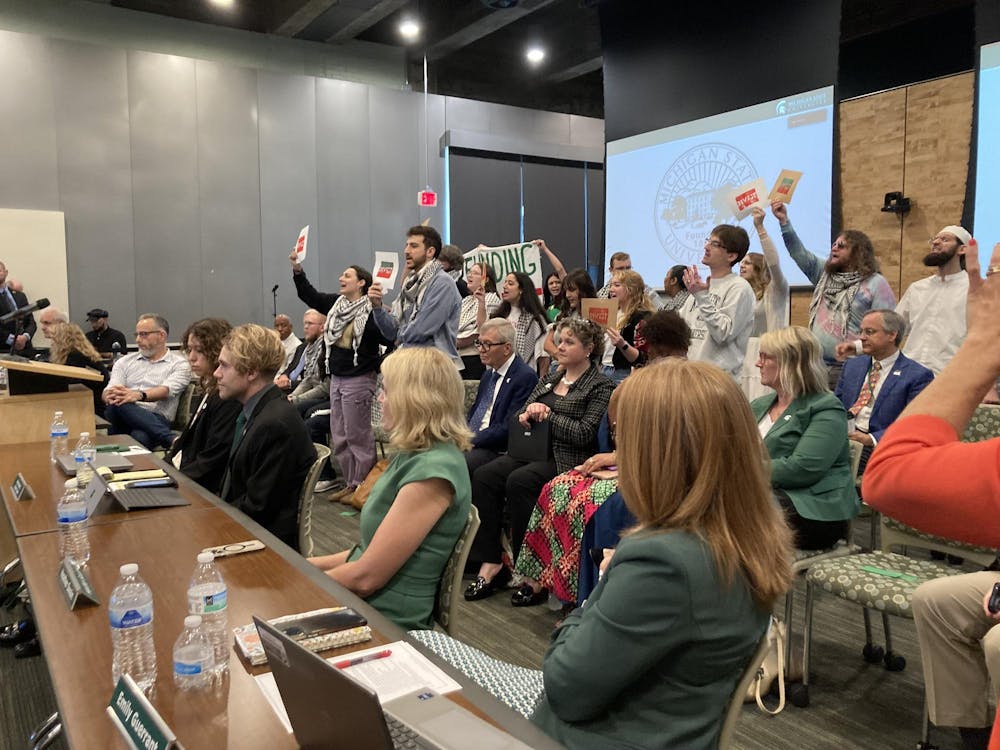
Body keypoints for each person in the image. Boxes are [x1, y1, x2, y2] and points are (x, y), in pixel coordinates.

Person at [417, 358, 794, 750]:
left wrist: (599, 587)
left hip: (591, 733)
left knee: (419, 654)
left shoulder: (664, 560)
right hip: (668, 722)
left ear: (656, 451)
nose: (618, 450)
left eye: (621, 436)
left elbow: (564, 685)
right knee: (424, 648)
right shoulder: (746, 533)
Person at [861, 239, 1000, 750]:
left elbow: (890, 476)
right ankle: (969, 733)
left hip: (893, 447)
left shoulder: (915, 374)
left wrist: (984, 344)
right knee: (938, 599)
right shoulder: (857, 368)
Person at [521, 310, 692, 609]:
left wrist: (617, 457)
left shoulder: (684, 386)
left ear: (657, 346)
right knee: (559, 488)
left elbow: (670, 448)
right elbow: (626, 439)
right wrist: (614, 456)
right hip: (628, 464)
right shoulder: (645, 380)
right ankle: (561, 589)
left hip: (661, 476)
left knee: (588, 505)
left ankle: (591, 598)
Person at [308, 347, 472, 631]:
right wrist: (303, 566)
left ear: (414, 400)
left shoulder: (434, 470)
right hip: (368, 605)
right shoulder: (416, 455)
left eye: (387, 391)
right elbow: (365, 552)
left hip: (387, 623)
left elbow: (366, 577)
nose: (380, 398)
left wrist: (300, 584)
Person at [464, 318, 614, 603]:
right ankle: (491, 560)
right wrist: (525, 415)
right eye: (559, 341)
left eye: (569, 342)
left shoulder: (600, 386)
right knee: (485, 475)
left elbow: (584, 434)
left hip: (566, 456)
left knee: (520, 482)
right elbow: (519, 413)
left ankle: (531, 574)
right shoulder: (551, 378)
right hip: (531, 449)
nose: (560, 347)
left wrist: (548, 415)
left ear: (589, 349)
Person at [290, 257, 394, 502]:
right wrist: (297, 270)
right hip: (336, 378)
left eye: (347, 276)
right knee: (340, 434)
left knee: (357, 435)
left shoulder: (372, 313)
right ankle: (351, 483)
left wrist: (376, 365)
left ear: (361, 283)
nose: (341, 279)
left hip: (359, 380)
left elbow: (392, 339)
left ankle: (364, 487)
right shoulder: (337, 305)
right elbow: (310, 295)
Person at [750, 327, 859, 549]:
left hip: (815, 511)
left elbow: (803, 468)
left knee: (730, 512)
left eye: (765, 357)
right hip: (765, 497)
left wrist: (741, 471)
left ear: (791, 363)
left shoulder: (826, 408)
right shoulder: (759, 406)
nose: (757, 364)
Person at [216, 324, 317, 549]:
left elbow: (256, 510)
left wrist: (210, 522)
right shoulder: (260, 411)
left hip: (262, 547)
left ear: (251, 372)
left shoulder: (274, 424)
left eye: (223, 365)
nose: (217, 373)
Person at [771, 201, 896, 385]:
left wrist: (857, 348)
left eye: (841, 246)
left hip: (853, 367)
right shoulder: (825, 274)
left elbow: (888, 331)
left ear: (858, 253)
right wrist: (784, 222)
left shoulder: (876, 283)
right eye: (834, 244)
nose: (834, 248)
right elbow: (799, 253)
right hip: (815, 365)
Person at [836, 225, 971, 377]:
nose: (936, 242)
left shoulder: (974, 290)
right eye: (935, 239)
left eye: (945, 239)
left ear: (962, 249)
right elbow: (891, 329)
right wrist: (857, 347)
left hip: (952, 376)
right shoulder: (918, 288)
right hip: (910, 375)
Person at [834, 309, 933, 473]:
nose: (862, 337)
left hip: (879, 447)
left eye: (870, 332)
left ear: (892, 335)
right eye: (861, 331)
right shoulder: (852, 366)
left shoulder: (917, 375)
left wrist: (871, 439)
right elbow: (835, 406)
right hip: (842, 437)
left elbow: (914, 423)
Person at [166, 318, 241, 495]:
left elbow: (211, 461)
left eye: (199, 350)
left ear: (217, 351)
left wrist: (173, 482)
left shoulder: (226, 397)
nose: (191, 357)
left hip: (201, 490)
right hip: (185, 475)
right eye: (190, 350)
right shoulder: (210, 388)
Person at [369, 225, 462, 368]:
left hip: (434, 365)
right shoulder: (409, 283)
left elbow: (422, 329)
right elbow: (390, 331)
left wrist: (397, 337)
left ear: (430, 251)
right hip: (409, 361)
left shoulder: (442, 283)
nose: (406, 251)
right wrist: (377, 307)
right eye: (406, 246)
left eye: (413, 246)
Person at [102, 314, 192, 450]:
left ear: (161, 336)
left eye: (143, 334)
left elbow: (166, 390)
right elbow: (111, 388)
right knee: (118, 402)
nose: (138, 340)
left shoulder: (179, 365)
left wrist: (138, 395)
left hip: (156, 417)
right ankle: (170, 439)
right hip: (121, 415)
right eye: (137, 335)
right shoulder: (124, 362)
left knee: (140, 437)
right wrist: (108, 395)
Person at [679, 224, 756, 379]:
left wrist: (701, 296)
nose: (706, 247)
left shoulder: (739, 288)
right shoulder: (699, 286)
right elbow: (682, 327)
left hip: (719, 381)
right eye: (708, 241)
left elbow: (723, 333)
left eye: (715, 244)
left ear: (731, 256)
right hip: (691, 376)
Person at [464, 318, 538, 476]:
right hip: (475, 440)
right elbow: (476, 410)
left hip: (497, 448)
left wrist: (470, 439)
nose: (481, 350)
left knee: (457, 462)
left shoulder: (524, 377)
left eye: (487, 344)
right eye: (479, 343)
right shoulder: (488, 374)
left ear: (507, 348)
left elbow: (509, 426)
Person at [741, 206, 791, 399]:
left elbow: (774, 264)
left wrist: (760, 228)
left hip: (768, 357)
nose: (741, 266)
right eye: (741, 262)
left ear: (759, 267)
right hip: (743, 358)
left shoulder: (775, 291)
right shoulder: (742, 295)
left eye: (747, 262)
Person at [46, 322, 110, 416]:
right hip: (96, 406)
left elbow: (72, 386)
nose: (51, 343)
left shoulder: (74, 358)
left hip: (90, 409)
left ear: (62, 340)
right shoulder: (85, 356)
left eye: (53, 338)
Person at [602, 269, 652, 383]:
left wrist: (622, 344)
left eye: (617, 285)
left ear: (631, 289)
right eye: (611, 285)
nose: (611, 289)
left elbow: (642, 358)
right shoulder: (612, 312)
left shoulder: (642, 317)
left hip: (625, 374)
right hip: (605, 369)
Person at [495, 271, 549, 375]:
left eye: (510, 283)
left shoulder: (534, 320)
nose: (505, 286)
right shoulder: (499, 317)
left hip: (524, 375)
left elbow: (543, 357)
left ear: (521, 290)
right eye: (505, 283)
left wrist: (541, 387)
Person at [542, 269, 596, 367]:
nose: (567, 295)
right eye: (566, 290)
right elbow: (547, 344)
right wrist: (562, 358)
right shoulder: (563, 315)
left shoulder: (595, 315)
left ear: (584, 290)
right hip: (557, 368)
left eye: (572, 290)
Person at [455, 261, 501, 379]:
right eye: (469, 272)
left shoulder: (491, 298)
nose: (469, 275)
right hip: (458, 357)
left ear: (485, 279)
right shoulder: (466, 300)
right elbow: (457, 325)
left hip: (475, 357)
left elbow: (481, 330)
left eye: (475, 273)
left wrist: (481, 303)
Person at [285, 309, 329, 417]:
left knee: (296, 408)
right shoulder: (308, 348)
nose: (305, 327)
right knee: (285, 404)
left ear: (322, 327)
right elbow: (308, 379)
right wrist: (292, 396)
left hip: (327, 395)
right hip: (314, 392)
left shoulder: (327, 348)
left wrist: (297, 399)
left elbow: (325, 387)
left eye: (310, 323)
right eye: (305, 323)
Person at [596, 251, 664, 310]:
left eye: (628, 268)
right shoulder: (602, 296)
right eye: (620, 269)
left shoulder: (645, 290)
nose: (625, 272)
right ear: (611, 270)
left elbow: (662, 311)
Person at [0, 260, 37, 357]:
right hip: (4, 350)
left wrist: (25, 337)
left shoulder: (20, 296)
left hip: (26, 349)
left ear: (6, 272)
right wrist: (12, 339)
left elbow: (31, 322)